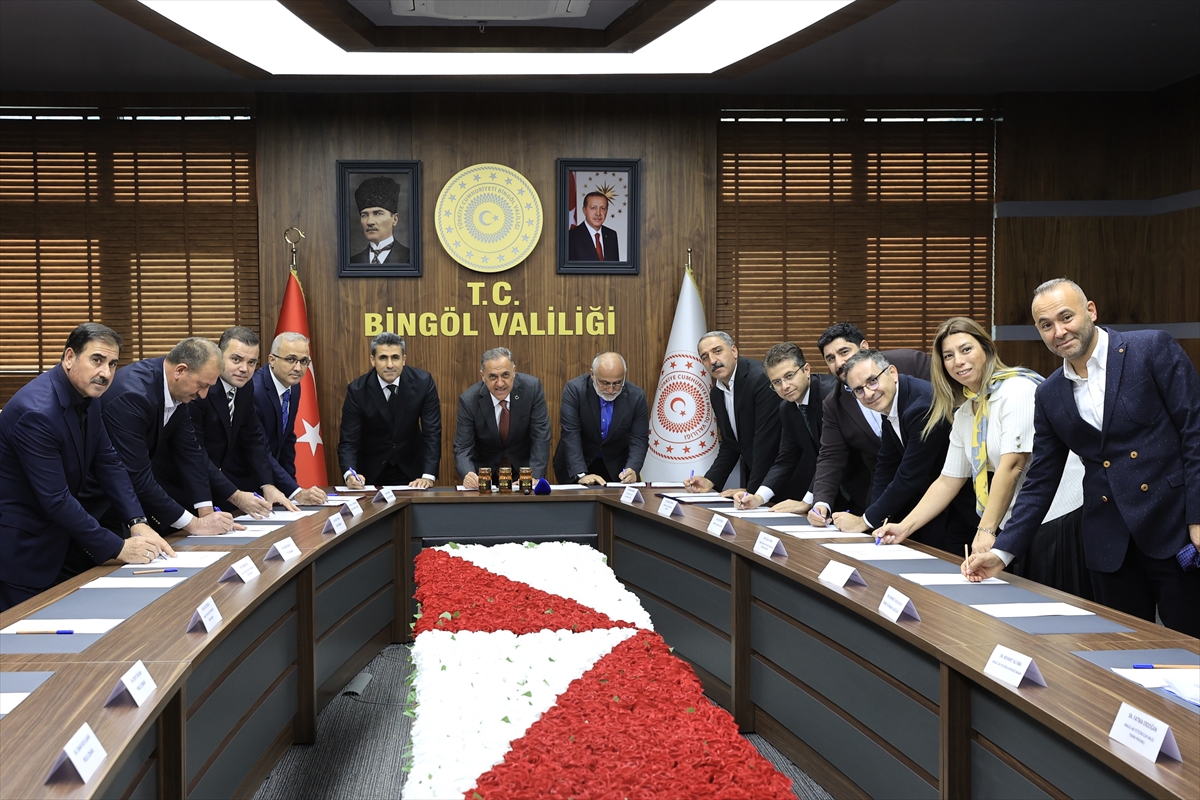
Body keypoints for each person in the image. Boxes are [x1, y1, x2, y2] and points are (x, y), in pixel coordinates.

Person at [964, 279, 1200, 636]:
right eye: (1046, 325)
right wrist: (1003, 552)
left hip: (1175, 529)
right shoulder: (1049, 393)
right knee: (1121, 651)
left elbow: (1194, 432)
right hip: (1109, 544)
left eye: (1066, 317)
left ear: (1091, 311)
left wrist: (1197, 517)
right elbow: (1041, 479)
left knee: (1191, 647)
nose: (1059, 332)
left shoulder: (1151, 348)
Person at [875, 318, 1089, 597]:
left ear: (986, 349)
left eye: (966, 349)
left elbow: (1012, 466)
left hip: (1059, 520)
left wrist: (986, 530)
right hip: (1019, 526)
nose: (958, 361)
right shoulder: (967, 411)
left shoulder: (1017, 390)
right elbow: (947, 481)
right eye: (948, 356)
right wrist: (904, 527)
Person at [0, 324, 176, 611]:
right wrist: (119, 547)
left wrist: (137, 522)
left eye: (113, 364)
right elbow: (56, 499)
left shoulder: (88, 395)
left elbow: (109, 463)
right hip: (25, 553)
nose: (105, 373)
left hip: (63, 544)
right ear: (70, 357)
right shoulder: (36, 412)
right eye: (97, 360)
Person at [832, 350, 976, 554]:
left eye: (872, 381)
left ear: (892, 372)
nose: (869, 393)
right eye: (859, 390)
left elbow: (909, 475)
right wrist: (874, 519)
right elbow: (886, 464)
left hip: (966, 505)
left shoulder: (921, 406)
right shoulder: (892, 402)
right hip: (937, 504)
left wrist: (865, 521)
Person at [97, 337, 242, 537]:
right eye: (202, 385)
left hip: (127, 497)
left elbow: (189, 452)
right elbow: (137, 474)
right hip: (97, 502)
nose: (203, 395)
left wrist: (206, 512)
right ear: (180, 371)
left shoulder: (176, 389)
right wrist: (195, 524)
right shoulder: (132, 396)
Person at [806, 322, 932, 527]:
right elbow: (831, 455)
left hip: (942, 487)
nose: (839, 363)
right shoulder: (834, 403)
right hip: (886, 497)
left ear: (864, 347)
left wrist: (866, 521)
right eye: (830, 358)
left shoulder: (911, 363)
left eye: (844, 352)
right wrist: (821, 503)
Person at [186, 327, 300, 517]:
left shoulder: (245, 387)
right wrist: (235, 495)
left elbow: (253, 439)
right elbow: (195, 452)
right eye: (236, 359)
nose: (244, 369)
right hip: (185, 487)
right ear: (219, 356)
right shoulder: (200, 390)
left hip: (217, 485)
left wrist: (267, 485)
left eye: (251, 362)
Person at [732, 342, 839, 513]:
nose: (785, 386)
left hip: (858, 484)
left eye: (789, 376)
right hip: (829, 491)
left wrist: (807, 501)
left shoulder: (830, 395)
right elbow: (786, 459)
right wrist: (758, 497)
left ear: (806, 370)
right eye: (777, 382)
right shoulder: (787, 408)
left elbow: (834, 456)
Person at [338, 332, 441, 489]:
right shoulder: (357, 390)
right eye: (383, 358)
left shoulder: (423, 382)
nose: (390, 365)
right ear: (373, 360)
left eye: (395, 357)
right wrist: (349, 474)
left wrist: (428, 476)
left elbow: (432, 433)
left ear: (403, 359)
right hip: (369, 474)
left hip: (412, 473)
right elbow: (349, 441)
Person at [683, 331, 781, 496]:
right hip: (759, 479)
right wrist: (710, 480)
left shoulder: (760, 378)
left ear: (734, 351)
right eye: (705, 357)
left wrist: (753, 491)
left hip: (783, 479)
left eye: (717, 351)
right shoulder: (716, 393)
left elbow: (767, 443)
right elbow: (731, 444)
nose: (713, 360)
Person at [245, 332, 327, 505]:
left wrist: (293, 491)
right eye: (291, 359)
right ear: (272, 360)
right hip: (247, 482)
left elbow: (287, 441)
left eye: (303, 361)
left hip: (274, 485)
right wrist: (295, 492)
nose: (298, 368)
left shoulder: (293, 386)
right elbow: (259, 448)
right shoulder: (254, 391)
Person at [455, 347, 551, 489]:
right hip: (484, 476)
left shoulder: (532, 389)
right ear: (483, 376)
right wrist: (468, 474)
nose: (500, 383)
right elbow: (463, 446)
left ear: (514, 371)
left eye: (505, 375)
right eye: (493, 377)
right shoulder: (469, 400)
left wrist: (534, 476)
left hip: (524, 471)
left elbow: (540, 437)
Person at [553, 352, 649, 486]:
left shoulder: (636, 396)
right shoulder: (575, 390)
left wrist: (632, 468)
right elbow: (570, 434)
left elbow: (639, 438)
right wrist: (580, 474)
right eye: (604, 383)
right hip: (578, 463)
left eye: (617, 383)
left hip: (615, 468)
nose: (611, 390)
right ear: (592, 375)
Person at [349, 176, 410, 265]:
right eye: (364, 215)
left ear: (395, 219)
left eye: (378, 213)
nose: (370, 222)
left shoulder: (411, 258)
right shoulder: (353, 262)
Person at [567, 191, 620, 262]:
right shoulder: (571, 237)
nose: (598, 213)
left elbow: (615, 267)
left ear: (606, 211)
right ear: (584, 210)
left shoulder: (611, 235)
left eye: (602, 208)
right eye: (593, 208)